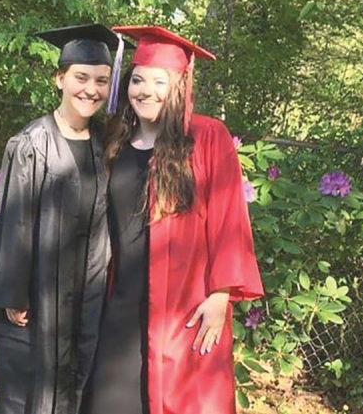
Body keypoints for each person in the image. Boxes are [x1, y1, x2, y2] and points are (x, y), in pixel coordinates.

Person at [82, 26, 264, 414]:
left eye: (159, 81)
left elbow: (229, 217)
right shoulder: (115, 139)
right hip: (122, 299)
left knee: (180, 401)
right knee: (109, 401)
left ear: (179, 85)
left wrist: (220, 295)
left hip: (184, 304)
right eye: (138, 79)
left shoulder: (207, 136)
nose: (145, 90)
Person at [0, 24, 130, 414]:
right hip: (40, 295)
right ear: (59, 78)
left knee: (77, 383)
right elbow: (13, 220)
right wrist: (14, 294)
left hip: (86, 293)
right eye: (81, 77)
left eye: (101, 81)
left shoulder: (102, 144)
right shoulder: (30, 144)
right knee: (32, 388)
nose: (90, 90)